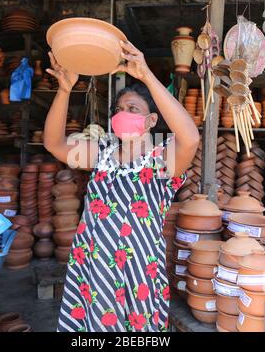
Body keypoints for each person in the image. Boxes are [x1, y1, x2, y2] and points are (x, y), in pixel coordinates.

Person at [44, 40, 200, 332]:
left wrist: (146, 76)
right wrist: (64, 90)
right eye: (118, 109)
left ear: (152, 120)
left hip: (139, 272)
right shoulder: (101, 151)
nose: (121, 113)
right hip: (94, 269)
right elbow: (53, 144)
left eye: (132, 108)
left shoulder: (161, 157)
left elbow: (191, 138)